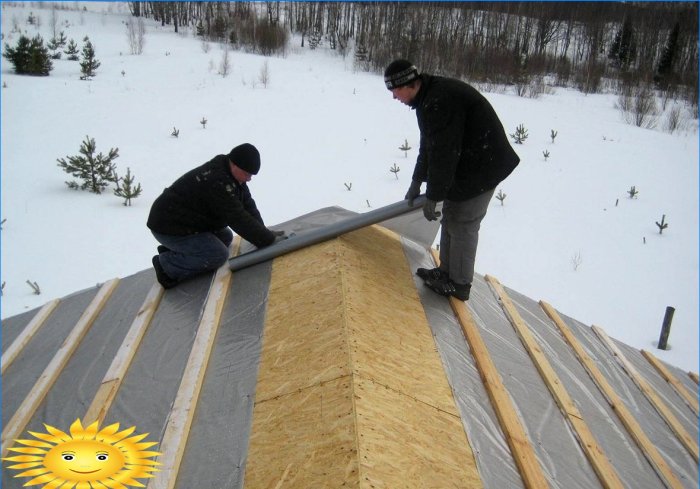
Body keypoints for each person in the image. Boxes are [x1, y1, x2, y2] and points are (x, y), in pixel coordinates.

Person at [384, 59, 519, 301]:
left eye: (394, 90)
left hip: (484, 165)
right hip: (467, 161)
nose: (394, 97)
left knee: (464, 222)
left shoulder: (438, 101)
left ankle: (459, 284)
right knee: (451, 216)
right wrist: (417, 180)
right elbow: (429, 144)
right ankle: (446, 272)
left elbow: (444, 153)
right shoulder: (427, 98)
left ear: (408, 84)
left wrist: (434, 194)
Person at [147, 143, 285, 289]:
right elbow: (237, 218)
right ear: (235, 165)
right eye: (247, 174)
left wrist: (264, 232)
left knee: (225, 237)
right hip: (168, 226)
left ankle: (179, 251)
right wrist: (267, 240)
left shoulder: (231, 174)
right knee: (217, 255)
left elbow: (248, 205)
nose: (249, 179)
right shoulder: (217, 182)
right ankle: (166, 266)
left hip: (186, 222)